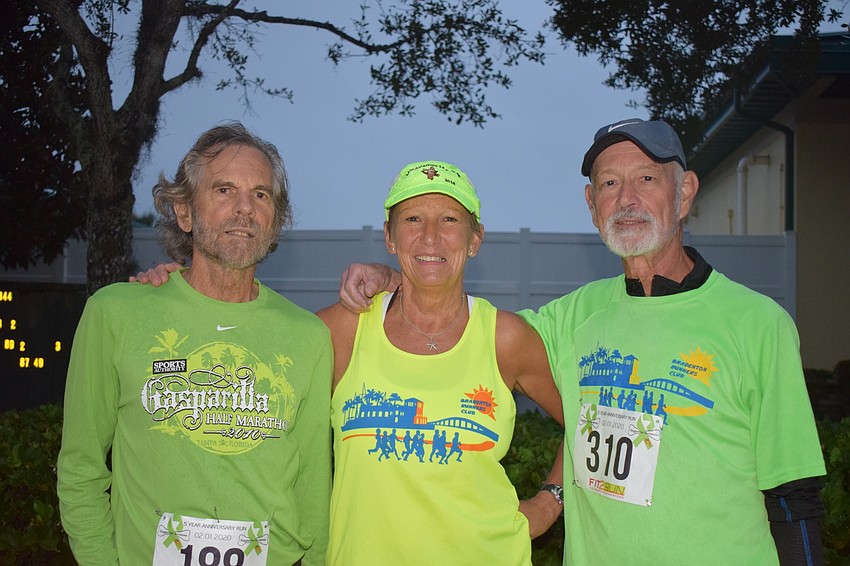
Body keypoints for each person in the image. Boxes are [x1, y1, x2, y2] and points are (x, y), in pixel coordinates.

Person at [339, 120, 827, 565]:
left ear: (684, 194)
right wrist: (396, 279)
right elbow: (456, 325)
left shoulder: (758, 324)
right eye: (610, 184)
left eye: (647, 179)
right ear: (592, 206)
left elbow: (794, 494)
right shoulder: (568, 320)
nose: (627, 199)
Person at [135, 160, 566, 565]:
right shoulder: (345, 329)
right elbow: (242, 357)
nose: (431, 236)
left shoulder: (505, 337)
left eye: (450, 220)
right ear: (390, 236)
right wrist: (184, 287)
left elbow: (587, 421)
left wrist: (549, 502)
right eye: (413, 219)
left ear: (475, 239)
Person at [57, 123, 332, 565]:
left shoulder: (307, 336)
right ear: (185, 213)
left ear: (275, 219)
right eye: (224, 189)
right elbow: (80, 469)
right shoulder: (116, 314)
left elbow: (313, 489)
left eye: (261, 194)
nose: (244, 208)